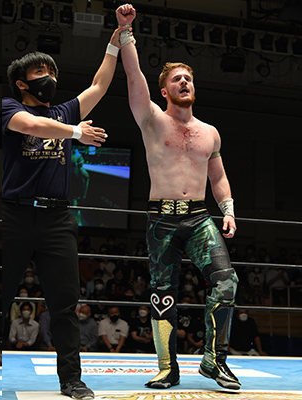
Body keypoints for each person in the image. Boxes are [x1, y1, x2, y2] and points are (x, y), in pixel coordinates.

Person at [117, 3, 240, 390]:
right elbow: (133, 76)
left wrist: (228, 210)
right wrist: (126, 33)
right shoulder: (152, 120)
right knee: (162, 294)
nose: (185, 82)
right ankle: (167, 367)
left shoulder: (210, 133)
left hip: (200, 217)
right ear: (164, 90)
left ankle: (214, 361)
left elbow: (218, 177)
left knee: (227, 282)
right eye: (177, 79)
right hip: (162, 219)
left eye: (188, 78)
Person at [2, 22, 127, 395]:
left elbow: (99, 85)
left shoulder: (65, 110)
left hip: (57, 218)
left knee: (65, 304)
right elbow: (34, 126)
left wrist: (114, 44)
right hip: (14, 215)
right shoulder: (8, 107)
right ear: (22, 83)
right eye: (41, 72)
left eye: (52, 72)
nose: (50, 78)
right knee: (2, 297)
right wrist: (76, 132)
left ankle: (71, 379)